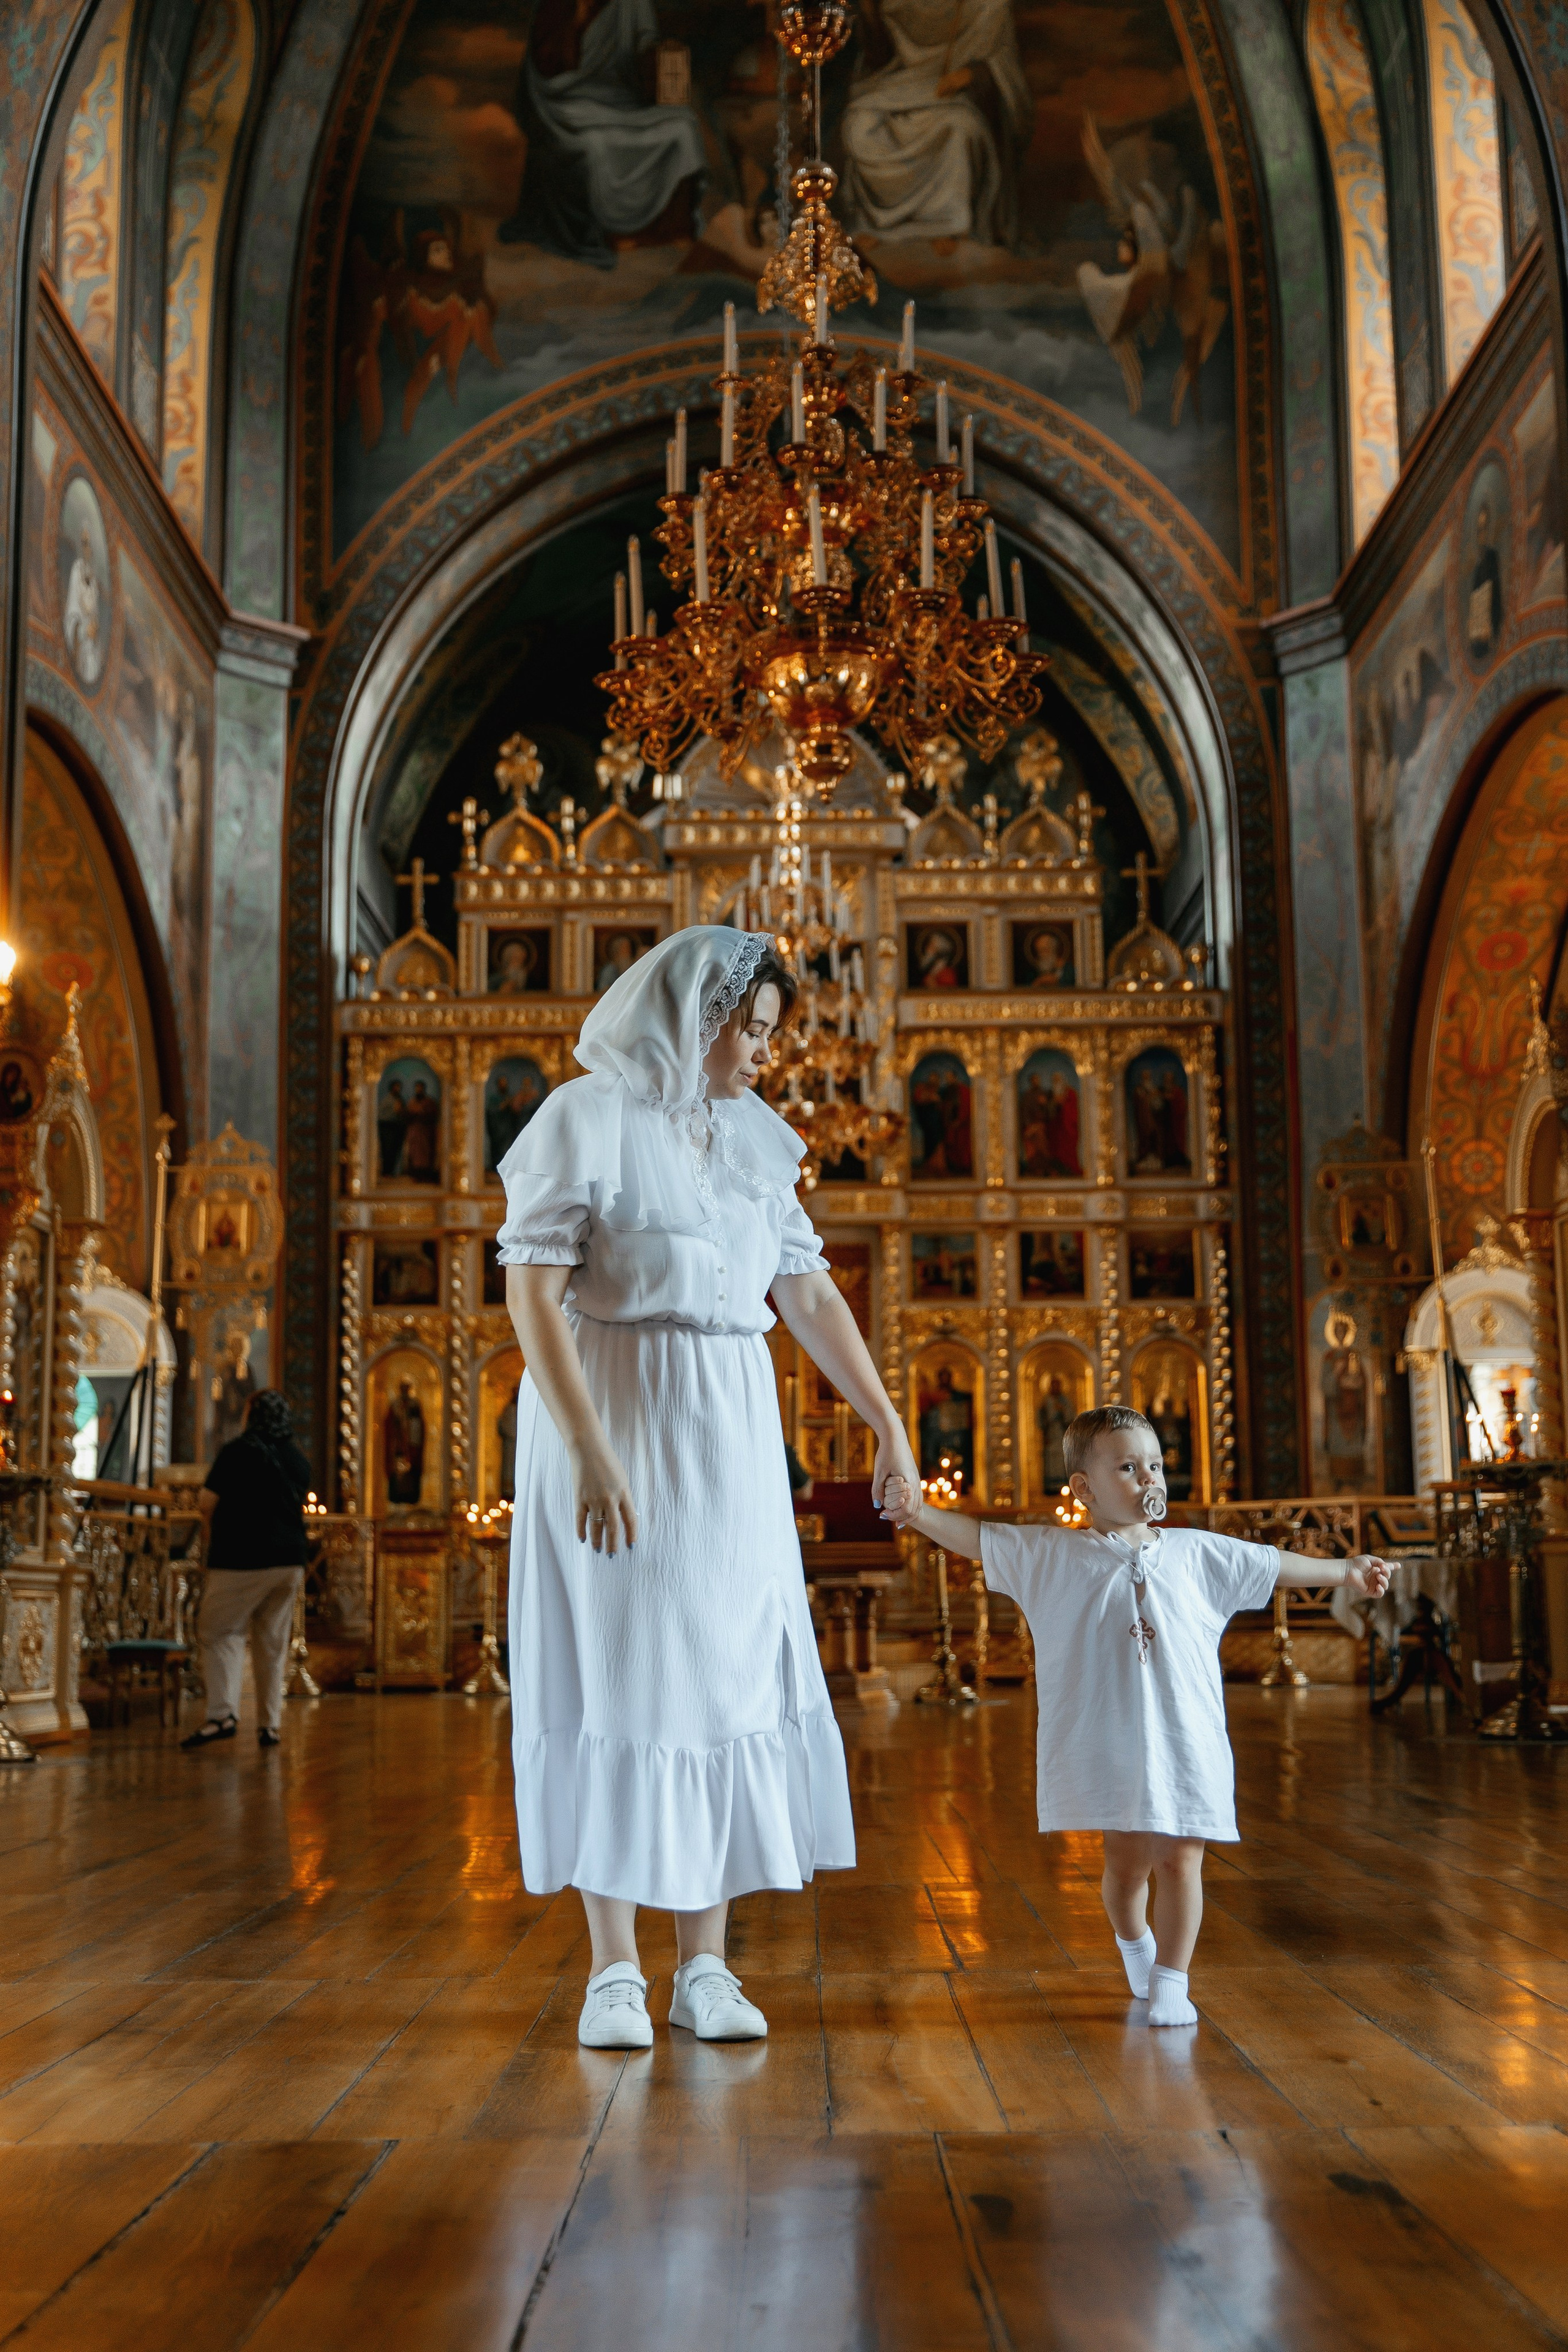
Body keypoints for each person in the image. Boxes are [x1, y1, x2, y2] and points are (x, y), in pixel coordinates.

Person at [498, 926, 918, 2049]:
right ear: (698, 1014)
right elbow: (535, 1300)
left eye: (774, 1036)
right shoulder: (582, 1119)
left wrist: (885, 1418)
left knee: (725, 1676)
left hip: (728, 1424)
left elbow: (810, 1295)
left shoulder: (754, 1142)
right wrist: (586, 1448)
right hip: (614, 1411)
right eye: (756, 1031)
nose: (765, 1056)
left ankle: (707, 1968)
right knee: (621, 1672)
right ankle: (614, 1972)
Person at [880, 1404, 1391, 2026]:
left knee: (1181, 1858)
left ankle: (1172, 1980)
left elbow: (1272, 1564)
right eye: (1127, 1467)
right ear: (1084, 1489)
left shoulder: (1197, 1553)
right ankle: (1134, 1942)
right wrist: (918, 1513)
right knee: (1125, 1871)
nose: (1148, 1478)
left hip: (1187, 1737)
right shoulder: (1051, 1556)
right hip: (1109, 1742)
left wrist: (1346, 1570)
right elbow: (979, 1538)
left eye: (1154, 1464)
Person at [183, 1390, 314, 1754]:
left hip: (241, 1559)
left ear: (252, 1416)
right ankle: (270, 1725)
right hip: (290, 1561)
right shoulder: (297, 1458)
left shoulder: (236, 1452)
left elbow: (207, 1503)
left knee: (219, 1630)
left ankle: (222, 1715)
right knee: (273, 1642)